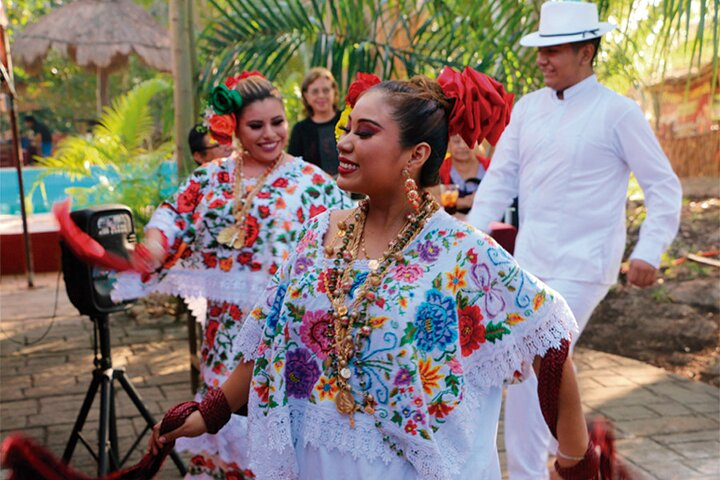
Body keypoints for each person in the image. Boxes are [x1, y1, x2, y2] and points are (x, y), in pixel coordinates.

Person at [149, 68, 616, 480]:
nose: (344, 141)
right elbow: (273, 337)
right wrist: (211, 411)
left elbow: (549, 348)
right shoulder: (320, 236)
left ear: (415, 155)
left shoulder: (463, 254)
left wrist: (575, 464)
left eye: (366, 132)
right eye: (347, 128)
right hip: (316, 464)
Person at [465, 2, 682, 479]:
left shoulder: (619, 113)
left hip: (585, 265)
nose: (542, 59)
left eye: (555, 50)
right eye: (541, 49)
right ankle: (586, 455)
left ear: (587, 52)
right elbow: (500, 180)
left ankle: (540, 470)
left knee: (534, 370)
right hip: (530, 264)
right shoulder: (528, 109)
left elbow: (664, 186)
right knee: (530, 368)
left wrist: (649, 250)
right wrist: (465, 242)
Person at [105, 72, 351, 479]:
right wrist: (150, 248)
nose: (270, 134)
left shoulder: (312, 184)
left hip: (284, 337)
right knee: (220, 427)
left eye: (278, 122)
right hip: (223, 337)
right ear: (234, 127)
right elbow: (172, 214)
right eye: (256, 126)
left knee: (279, 438)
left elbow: (349, 232)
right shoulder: (211, 178)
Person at [287, 67, 342, 175]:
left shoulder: (348, 119)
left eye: (326, 90)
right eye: (315, 92)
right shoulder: (300, 130)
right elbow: (294, 169)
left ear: (334, 92)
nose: (321, 95)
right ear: (306, 96)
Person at [438, 134, 490, 214]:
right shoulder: (440, 169)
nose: (463, 146)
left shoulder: (490, 167)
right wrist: (465, 202)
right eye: (456, 141)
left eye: (468, 141)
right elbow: (434, 200)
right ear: (448, 145)